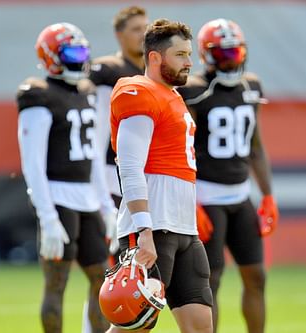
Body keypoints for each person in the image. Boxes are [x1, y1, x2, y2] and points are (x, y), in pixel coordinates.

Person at [105, 18, 213, 333]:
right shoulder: (138, 91)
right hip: (152, 228)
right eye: (180, 55)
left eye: (189, 54)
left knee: (200, 326)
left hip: (184, 230)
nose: (189, 62)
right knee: (133, 326)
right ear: (155, 57)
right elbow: (129, 166)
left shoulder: (174, 96)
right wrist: (143, 232)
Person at [177, 19, 279, 333]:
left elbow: (256, 147)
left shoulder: (251, 86)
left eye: (236, 53)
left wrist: (267, 195)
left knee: (257, 276)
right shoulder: (194, 90)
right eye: (224, 54)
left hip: (239, 195)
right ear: (208, 56)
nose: (232, 60)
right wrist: (189, 200)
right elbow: (182, 150)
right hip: (207, 197)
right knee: (212, 280)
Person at [16, 22, 117, 333]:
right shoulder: (38, 95)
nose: (78, 58)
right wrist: (46, 217)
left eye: (82, 51)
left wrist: (106, 206)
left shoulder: (86, 91)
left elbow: (93, 159)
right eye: (71, 52)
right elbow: (32, 163)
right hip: (58, 199)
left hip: (87, 199)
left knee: (101, 279)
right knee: (56, 285)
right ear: (51, 57)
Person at [89, 5, 148, 215]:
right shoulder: (109, 70)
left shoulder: (156, 73)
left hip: (150, 173)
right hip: (113, 172)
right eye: (136, 29)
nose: (144, 34)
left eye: (146, 28)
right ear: (120, 35)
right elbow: (98, 131)